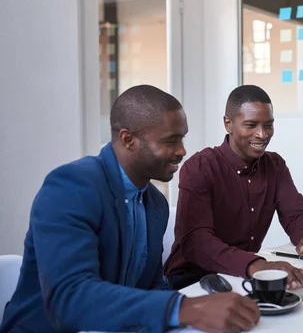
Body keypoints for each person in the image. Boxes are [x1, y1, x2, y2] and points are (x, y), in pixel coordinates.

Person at [0, 85, 259, 333]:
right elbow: (69, 298)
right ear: (128, 139)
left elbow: (151, 286)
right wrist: (183, 308)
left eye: (182, 139)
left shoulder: (155, 203)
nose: (182, 150)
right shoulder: (71, 188)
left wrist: (204, 312)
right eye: (171, 140)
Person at [164, 85, 303, 290]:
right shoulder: (199, 167)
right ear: (228, 124)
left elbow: (297, 213)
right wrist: (256, 265)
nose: (262, 134)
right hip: (193, 280)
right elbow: (197, 243)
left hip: (241, 275)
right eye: (250, 125)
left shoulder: (275, 166)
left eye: (268, 125)